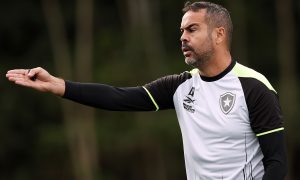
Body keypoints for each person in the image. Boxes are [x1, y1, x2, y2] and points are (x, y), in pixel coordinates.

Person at [6, 1, 287, 180]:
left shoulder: (254, 87)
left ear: (219, 33)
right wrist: (59, 86)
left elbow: (277, 164)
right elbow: (120, 97)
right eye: (181, 31)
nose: (183, 37)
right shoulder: (181, 86)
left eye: (192, 29)